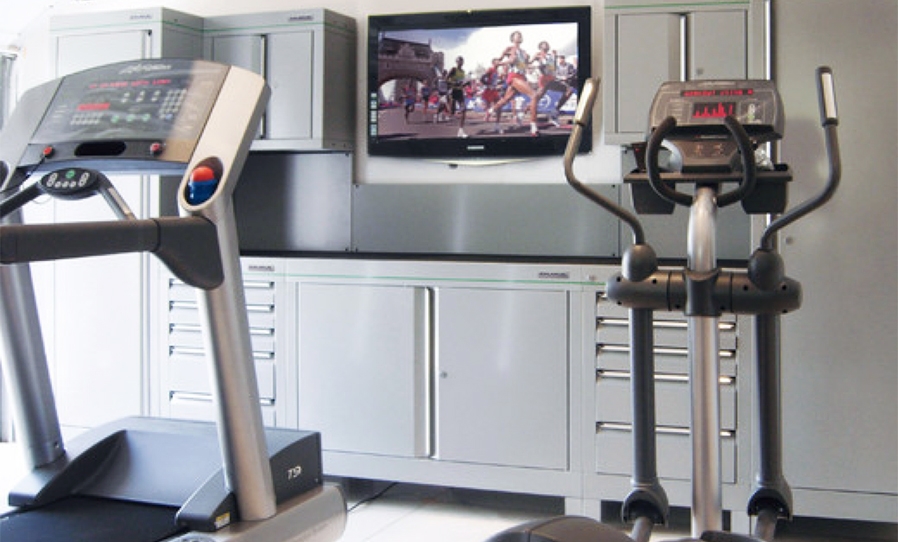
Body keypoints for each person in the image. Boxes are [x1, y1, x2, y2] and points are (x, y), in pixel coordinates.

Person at [489, 30, 539, 136]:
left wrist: (533, 61)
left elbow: (526, 64)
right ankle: (533, 127)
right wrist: (503, 62)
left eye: (520, 35)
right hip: (514, 77)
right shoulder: (509, 49)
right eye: (517, 35)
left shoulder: (524, 52)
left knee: (505, 99)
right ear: (512, 39)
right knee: (534, 95)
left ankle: (491, 110)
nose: (520, 36)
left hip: (522, 77)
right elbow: (497, 60)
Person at [447, 56, 469, 138]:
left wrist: (465, 84)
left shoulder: (463, 72)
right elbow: (445, 79)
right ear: (456, 62)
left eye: (462, 61)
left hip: (459, 91)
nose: (460, 63)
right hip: (453, 91)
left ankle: (461, 131)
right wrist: (454, 83)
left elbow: (461, 83)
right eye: (459, 61)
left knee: (464, 109)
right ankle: (448, 115)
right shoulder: (453, 69)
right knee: (452, 111)